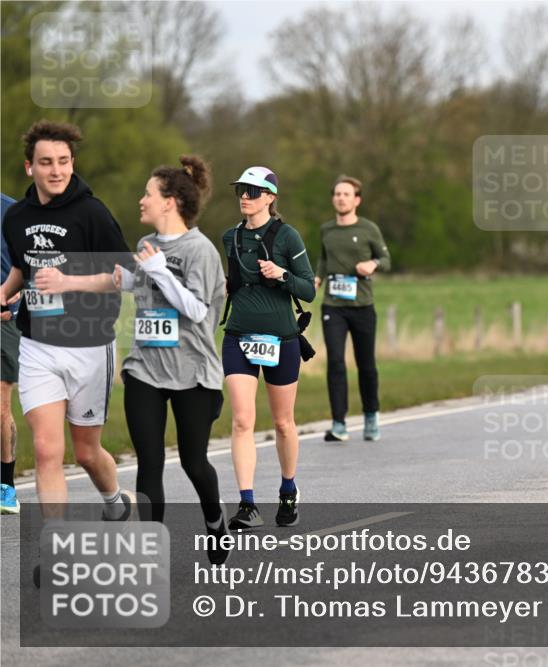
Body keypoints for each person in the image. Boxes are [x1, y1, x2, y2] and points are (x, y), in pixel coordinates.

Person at [0, 120, 135, 525]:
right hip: (38, 344)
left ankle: (112, 498)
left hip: (90, 345)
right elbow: (23, 269)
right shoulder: (17, 218)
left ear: (72, 163)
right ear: (30, 167)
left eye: (63, 161)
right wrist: (5, 291)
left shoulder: (91, 213)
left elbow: (126, 272)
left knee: (86, 452)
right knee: (45, 450)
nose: (55, 170)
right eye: (46, 162)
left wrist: (69, 281)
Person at [112, 156, 230, 564]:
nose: (141, 200)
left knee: (193, 463)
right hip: (144, 366)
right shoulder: (147, 248)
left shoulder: (201, 251)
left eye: (148, 193)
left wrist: (160, 272)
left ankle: (215, 520)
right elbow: (140, 285)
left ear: (170, 201)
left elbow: (197, 311)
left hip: (193, 370)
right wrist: (124, 278)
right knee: (149, 461)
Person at [221, 166, 315, 529]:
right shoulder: (229, 237)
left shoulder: (287, 236)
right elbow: (231, 282)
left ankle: (288, 490)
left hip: (282, 339)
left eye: (253, 191)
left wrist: (282, 275)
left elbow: (308, 289)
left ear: (271, 198)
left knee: (283, 422)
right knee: (243, 420)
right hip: (239, 336)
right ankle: (247, 504)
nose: (245, 196)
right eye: (241, 190)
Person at [314, 175, 391, 440]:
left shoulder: (369, 229)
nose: (341, 198)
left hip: (362, 306)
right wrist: (317, 278)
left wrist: (373, 265)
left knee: (366, 364)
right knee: (335, 362)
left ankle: (371, 416)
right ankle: (339, 423)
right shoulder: (326, 230)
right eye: (337, 194)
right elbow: (324, 259)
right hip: (333, 305)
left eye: (346, 194)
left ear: (356, 200)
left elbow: (386, 259)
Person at [1, 193, 20, 514]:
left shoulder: (14, 212)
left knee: (0, 406)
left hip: (3, 320)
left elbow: (36, 264)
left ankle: (6, 487)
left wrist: (12, 298)